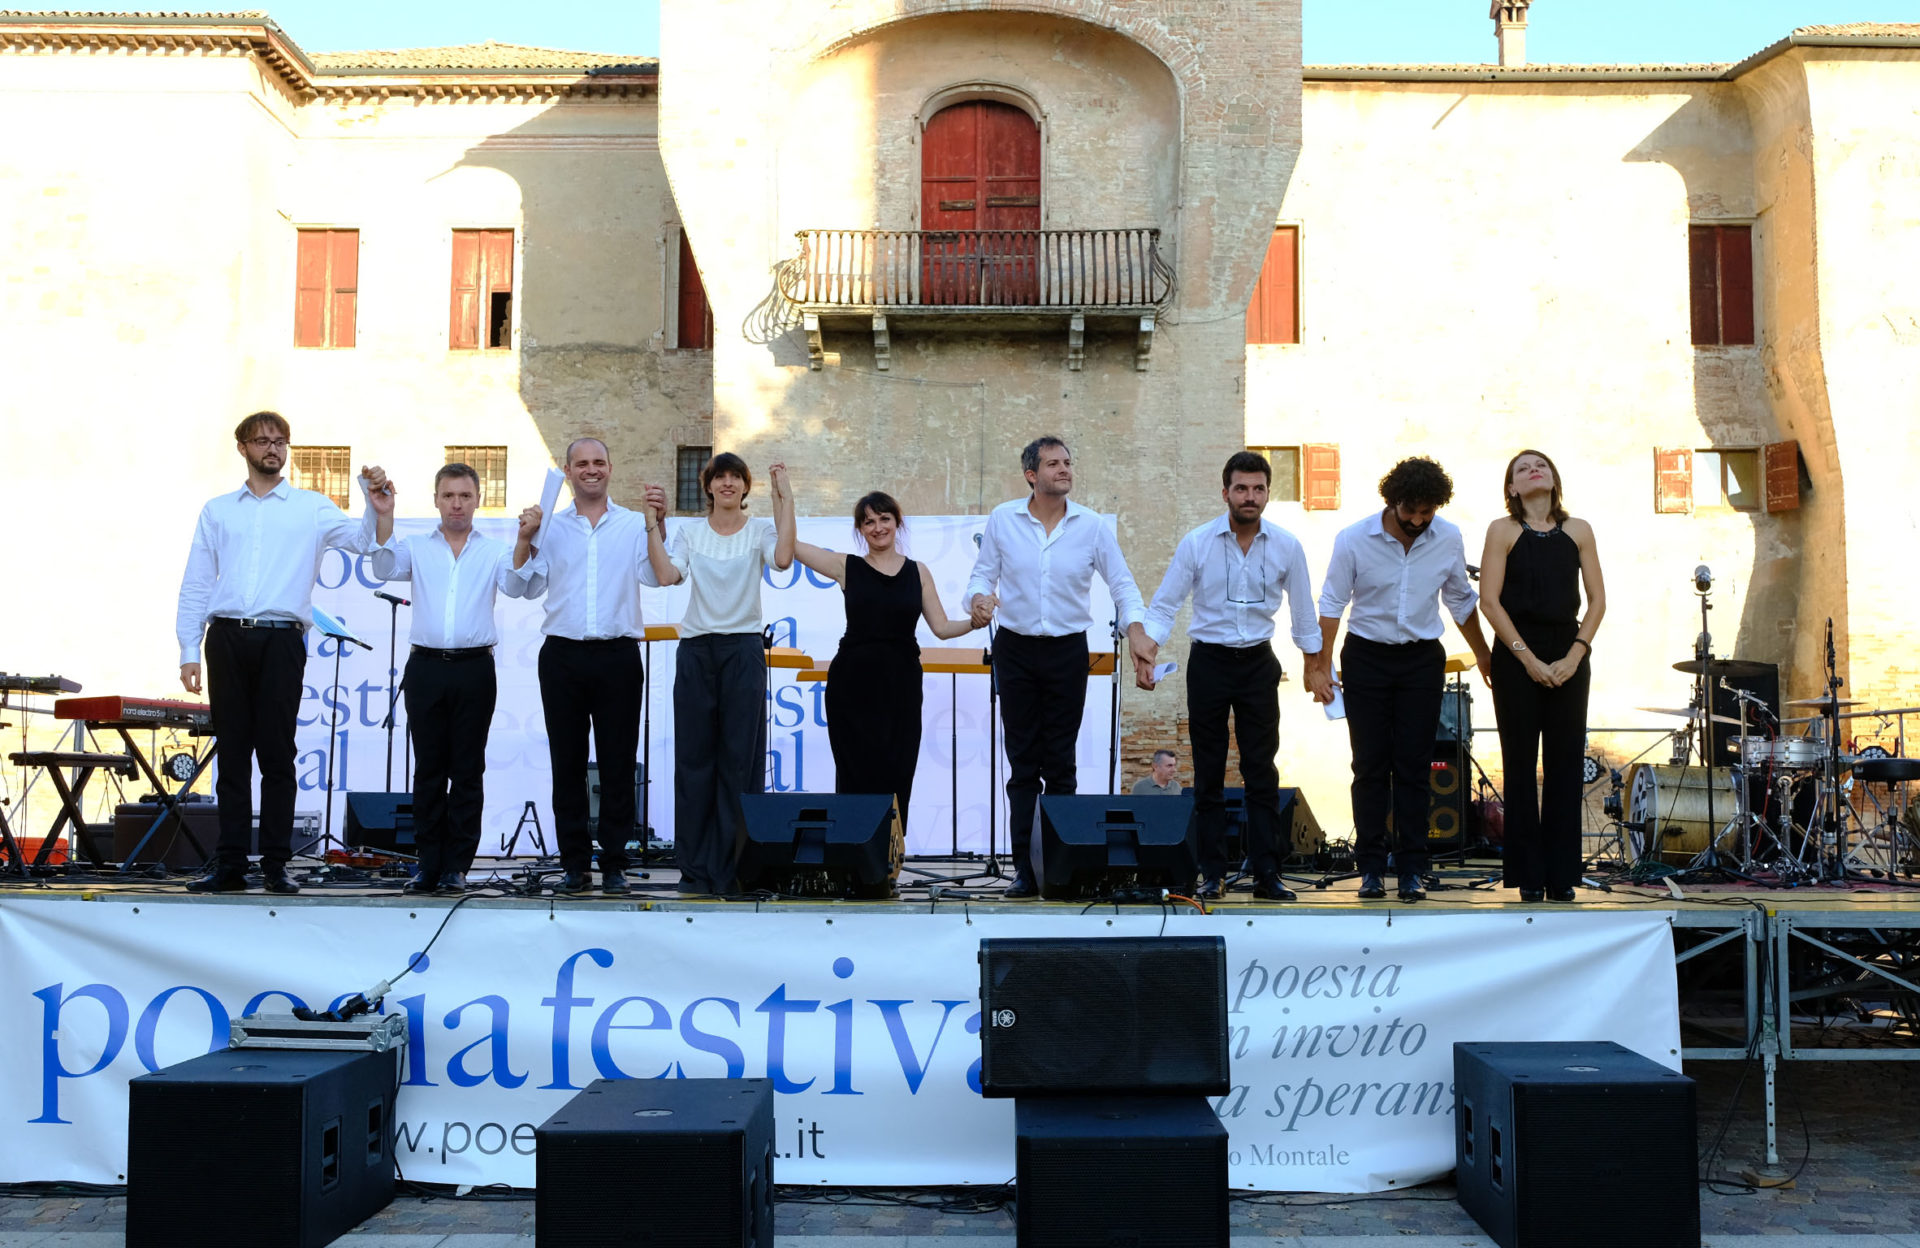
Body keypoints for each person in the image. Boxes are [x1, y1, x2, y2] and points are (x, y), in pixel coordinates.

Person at [174, 411, 378, 894]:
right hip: (226, 636)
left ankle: (275, 864)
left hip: (282, 638)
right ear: (242, 447)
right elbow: (198, 580)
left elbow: (364, 542)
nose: (272, 448)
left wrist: (375, 505)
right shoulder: (219, 510)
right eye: (261, 440)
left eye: (280, 441)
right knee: (233, 755)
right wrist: (188, 647)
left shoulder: (310, 506)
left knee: (278, 754)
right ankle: (229, 864)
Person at [965, 436, 1150, 897]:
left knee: (1061, 766)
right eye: (1053, 464)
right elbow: (981, 574)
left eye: (1068, 462)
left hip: (1068, 650)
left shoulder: (1090, 526)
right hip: (1017, 650)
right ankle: (1026, 871)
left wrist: (1137, 630)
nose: (1064, 469)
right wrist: (978, 601)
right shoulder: (1003, 520)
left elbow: (1122, 583)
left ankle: (1062, 867)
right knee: (1024, 765)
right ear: (1031, 474)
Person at [1134, 450, 1322, 901]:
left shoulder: (1286, 546)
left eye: (1258, 488)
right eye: (1241, 488)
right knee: (1210, 773)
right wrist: (1148, 648)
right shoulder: (1197, 542)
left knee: (1261, 772)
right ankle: (1212, 874)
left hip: (1259, 663)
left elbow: (1304, 612)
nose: (1250, 496)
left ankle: (1266, 875)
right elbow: (1165, 604)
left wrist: (1315, 665)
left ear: (1267, 494)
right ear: (1225, 493)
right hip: (1209, 664)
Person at [1307, 456, 1493, 903]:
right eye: (1410, 510)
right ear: (1392, 502)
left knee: (1414, 768)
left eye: (1426, 512)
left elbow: (1461, 601)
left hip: (1421, 660)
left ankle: (1412, 868)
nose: (1417, 520)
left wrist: (1486, 658)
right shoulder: (1353, 539)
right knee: (1369, 766)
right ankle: (1370, 868)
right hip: (1366, 656)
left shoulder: (1446, 537)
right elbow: (1332, 602)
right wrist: (1319, 665)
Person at [368, 463, 527, 895]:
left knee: (468, 770)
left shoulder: (494, 551)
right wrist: (384, 515)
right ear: (436, 499)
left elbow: (516, 586)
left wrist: (526, 541)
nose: (457, 503)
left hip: (475, 668)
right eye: (448, 495)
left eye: (465, 496)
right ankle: (427, 864)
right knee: (429, 771)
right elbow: (382, 567)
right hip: (426, 668)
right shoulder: (418, 547)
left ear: (477, 500)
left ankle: (457, 865)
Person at [509, 437, 658, 896]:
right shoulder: (549, 526)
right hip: (563, 656)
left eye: (598, 462)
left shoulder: (634, 523)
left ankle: (615, 864)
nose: (591, 470)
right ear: (568, 472)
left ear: (611, 468)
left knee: (617, 766)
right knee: (567, 765)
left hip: (618, 655)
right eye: (581, 464)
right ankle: (575, 865)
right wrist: (526, 539)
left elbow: (653, 577)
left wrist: (659, 526)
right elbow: (523, 589)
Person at [643, 454, 796, 895]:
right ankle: (694, 870)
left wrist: (787, 498)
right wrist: (653, 523)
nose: (728, 484)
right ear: (707, 486)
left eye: (736, 477)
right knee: (694, 762)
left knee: (739, 762)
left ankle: (735, 869)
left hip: (743, 650)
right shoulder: (691, 532)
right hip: (696, 650)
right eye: (719, 477)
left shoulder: (760, 531)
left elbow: (784, 559)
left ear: (746, 487)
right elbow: (668, 575)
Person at [786, 487, 976, 835]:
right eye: (868, 522)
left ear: (897, 522)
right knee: (856, 775)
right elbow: (792, 546)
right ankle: (856, 860)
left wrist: (975, 623)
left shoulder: (918, 572)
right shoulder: (848, 567)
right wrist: (784, 497)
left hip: (901, 688)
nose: (877, 527)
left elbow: (943, 627)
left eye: (884, 518)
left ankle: (887, 862)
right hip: (852, 688)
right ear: (860, 530)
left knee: (898, 772)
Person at [1477, 450, 1605, 903]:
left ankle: (1562, 874)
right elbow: (1489, 602)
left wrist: (1576, 654)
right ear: (1512, 488)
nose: (1535, 470)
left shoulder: (1579, 531)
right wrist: (1527, 660)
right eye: (1522, 469)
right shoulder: (1503, 530)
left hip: (1569, 651)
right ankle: (1529, 875)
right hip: (1516, 653)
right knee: (1519, 763)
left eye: (1542, 465)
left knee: (1566, 763)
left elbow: (1597, 602)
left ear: (1554, 479)